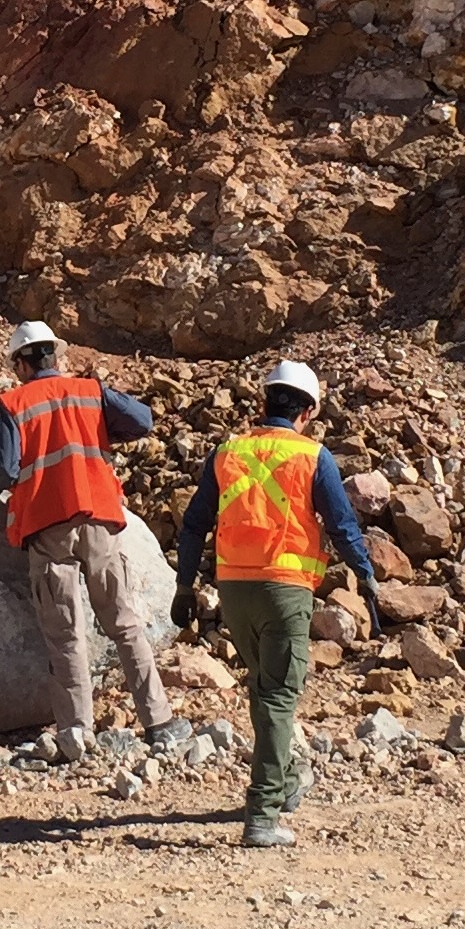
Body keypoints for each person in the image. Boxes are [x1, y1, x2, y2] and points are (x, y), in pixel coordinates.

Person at [172, 358, 380, 848]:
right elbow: (343, 526)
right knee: (278, 697)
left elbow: (194, 524)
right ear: (307, 411)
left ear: (266, 402)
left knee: (265, 690)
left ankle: (285, 783)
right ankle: (262, 815)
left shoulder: (228, 452)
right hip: (285, 590)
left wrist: (184, 585)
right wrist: (366, 576)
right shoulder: (311, 456)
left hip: (233, 590)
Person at [0, 320, 186, 764]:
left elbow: (3, 466)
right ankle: (160, 723)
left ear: (20, 363)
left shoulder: (14, 403)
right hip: (100, 521)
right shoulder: (90, 391)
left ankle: (76, 730)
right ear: (54, 355)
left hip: (48, 527)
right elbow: (142, 420)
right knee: (124, 623)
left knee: (65, 633)